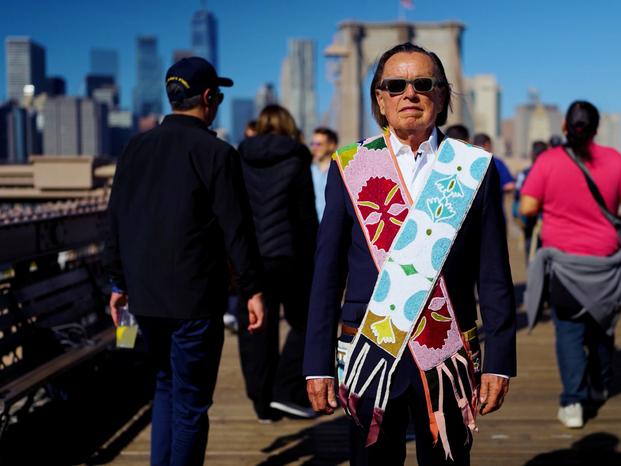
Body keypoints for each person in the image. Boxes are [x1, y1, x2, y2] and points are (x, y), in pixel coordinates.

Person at [304, 42, 516, 466]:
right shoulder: (350, 164)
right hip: (370, 347)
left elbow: (494, 273)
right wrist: (316, 363)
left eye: (422, 83)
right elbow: (327, 273)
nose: (410, 94)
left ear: (441, 95)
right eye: (395, 86)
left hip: (448, 349)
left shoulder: (474, 167)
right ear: (379, 99)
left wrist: (501, 361)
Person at [104, 56, 265, 465]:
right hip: (195, 299)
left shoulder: (134, 148)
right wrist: (252, 289)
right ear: (208, 98)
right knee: (191, 403)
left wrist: (118, 283)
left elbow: (115, 219)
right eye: (219, 97)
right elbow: (237, 230)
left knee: (165, 386)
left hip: (144, 297)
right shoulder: (216, 153)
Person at [519, 101, 621, 429]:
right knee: (603, 326)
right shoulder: (614, 159)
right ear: (596, 129)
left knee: (569, 331)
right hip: (606, 265)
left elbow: (527, 207)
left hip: (565, 266)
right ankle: (600, 385)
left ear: (565, 127)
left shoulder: (548, 161)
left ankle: (573, 402)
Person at [236, 104, 319, 421]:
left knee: (255, 329)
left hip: (251, 258)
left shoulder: (240, 156)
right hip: (289, 257)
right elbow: (305, 215)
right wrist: (315, 259)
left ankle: (263, 404)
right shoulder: (297, 157)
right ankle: (286, 388)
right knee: (307, 322)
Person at [514, 140, 548, 260]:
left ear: (532, 154)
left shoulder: (525, 173)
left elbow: (517, 194)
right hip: (543, 221)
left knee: (531, 254)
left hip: (532, 220)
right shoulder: (552, 173)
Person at [309, 127, 338, 221]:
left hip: (331, 224)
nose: (314, 148)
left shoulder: (340, 173)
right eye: (312, 144)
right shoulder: (308, 171)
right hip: (312, 225)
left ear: (332, 145)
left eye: (319, 144)